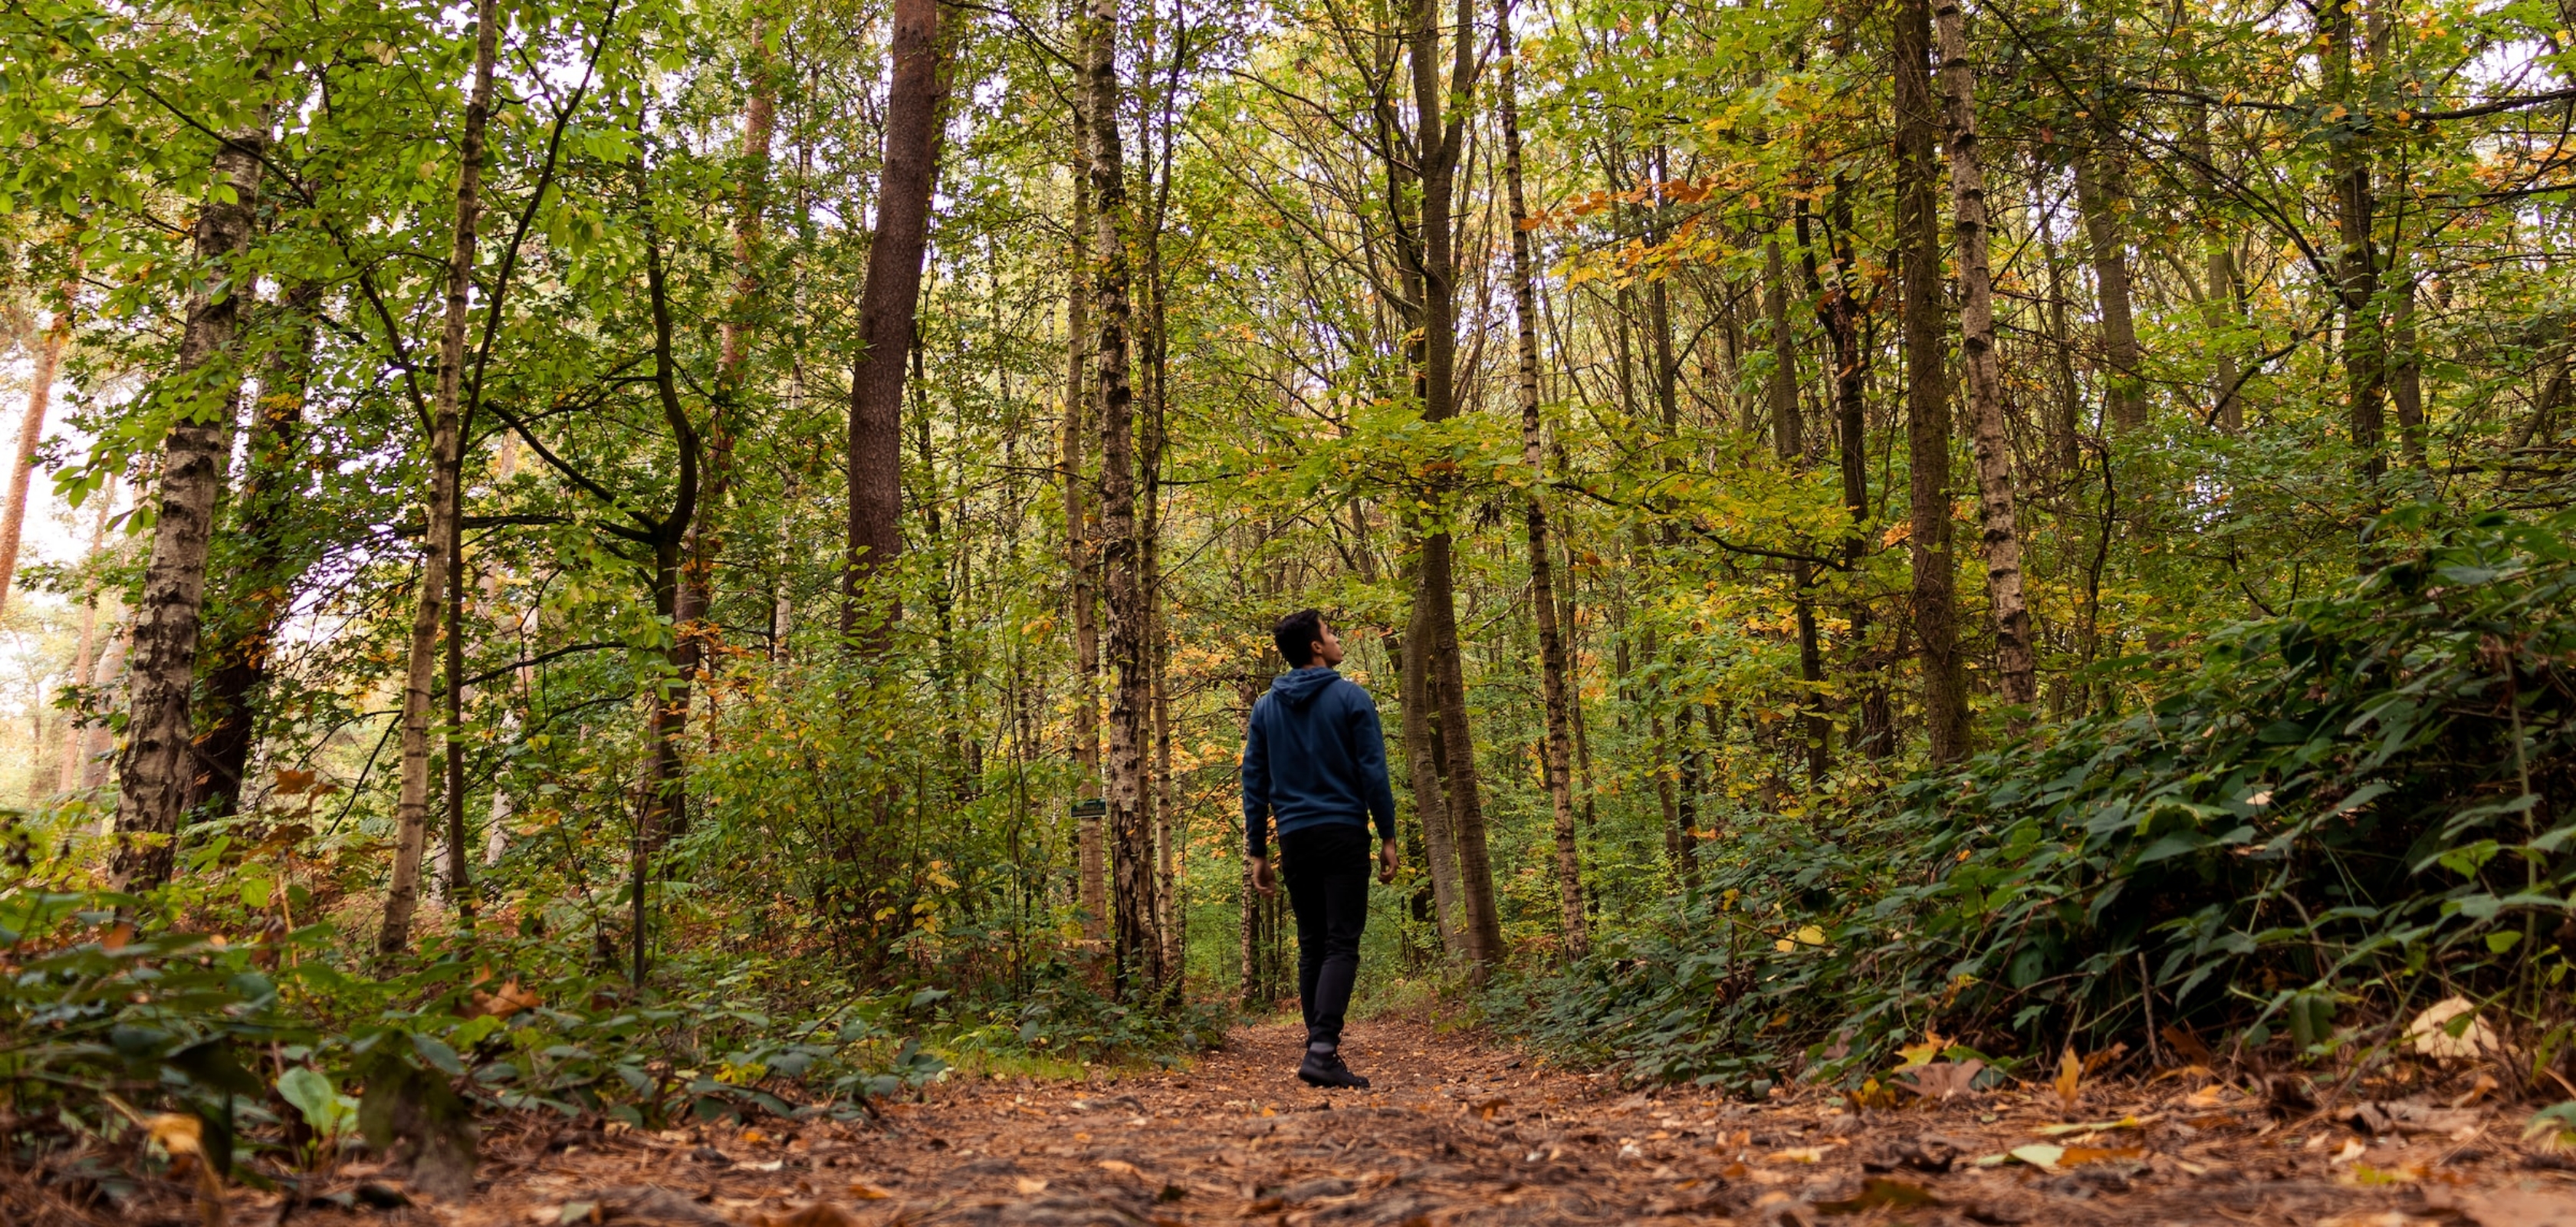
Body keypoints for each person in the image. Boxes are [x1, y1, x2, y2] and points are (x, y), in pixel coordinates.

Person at [1241, 608, 1401, 1089]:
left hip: (1295, 838)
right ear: (1315, 646)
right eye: (1330, 634)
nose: (1336, 640)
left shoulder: (1266, 707)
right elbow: (1373, 771)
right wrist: (1388, 836)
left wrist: (1258, 850)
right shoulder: (1352, 697)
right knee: (1340, 942)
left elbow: (1255, 781)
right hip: (1342, 832)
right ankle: (1323, 1049)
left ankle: (1318, 1047)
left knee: (1312, 944)